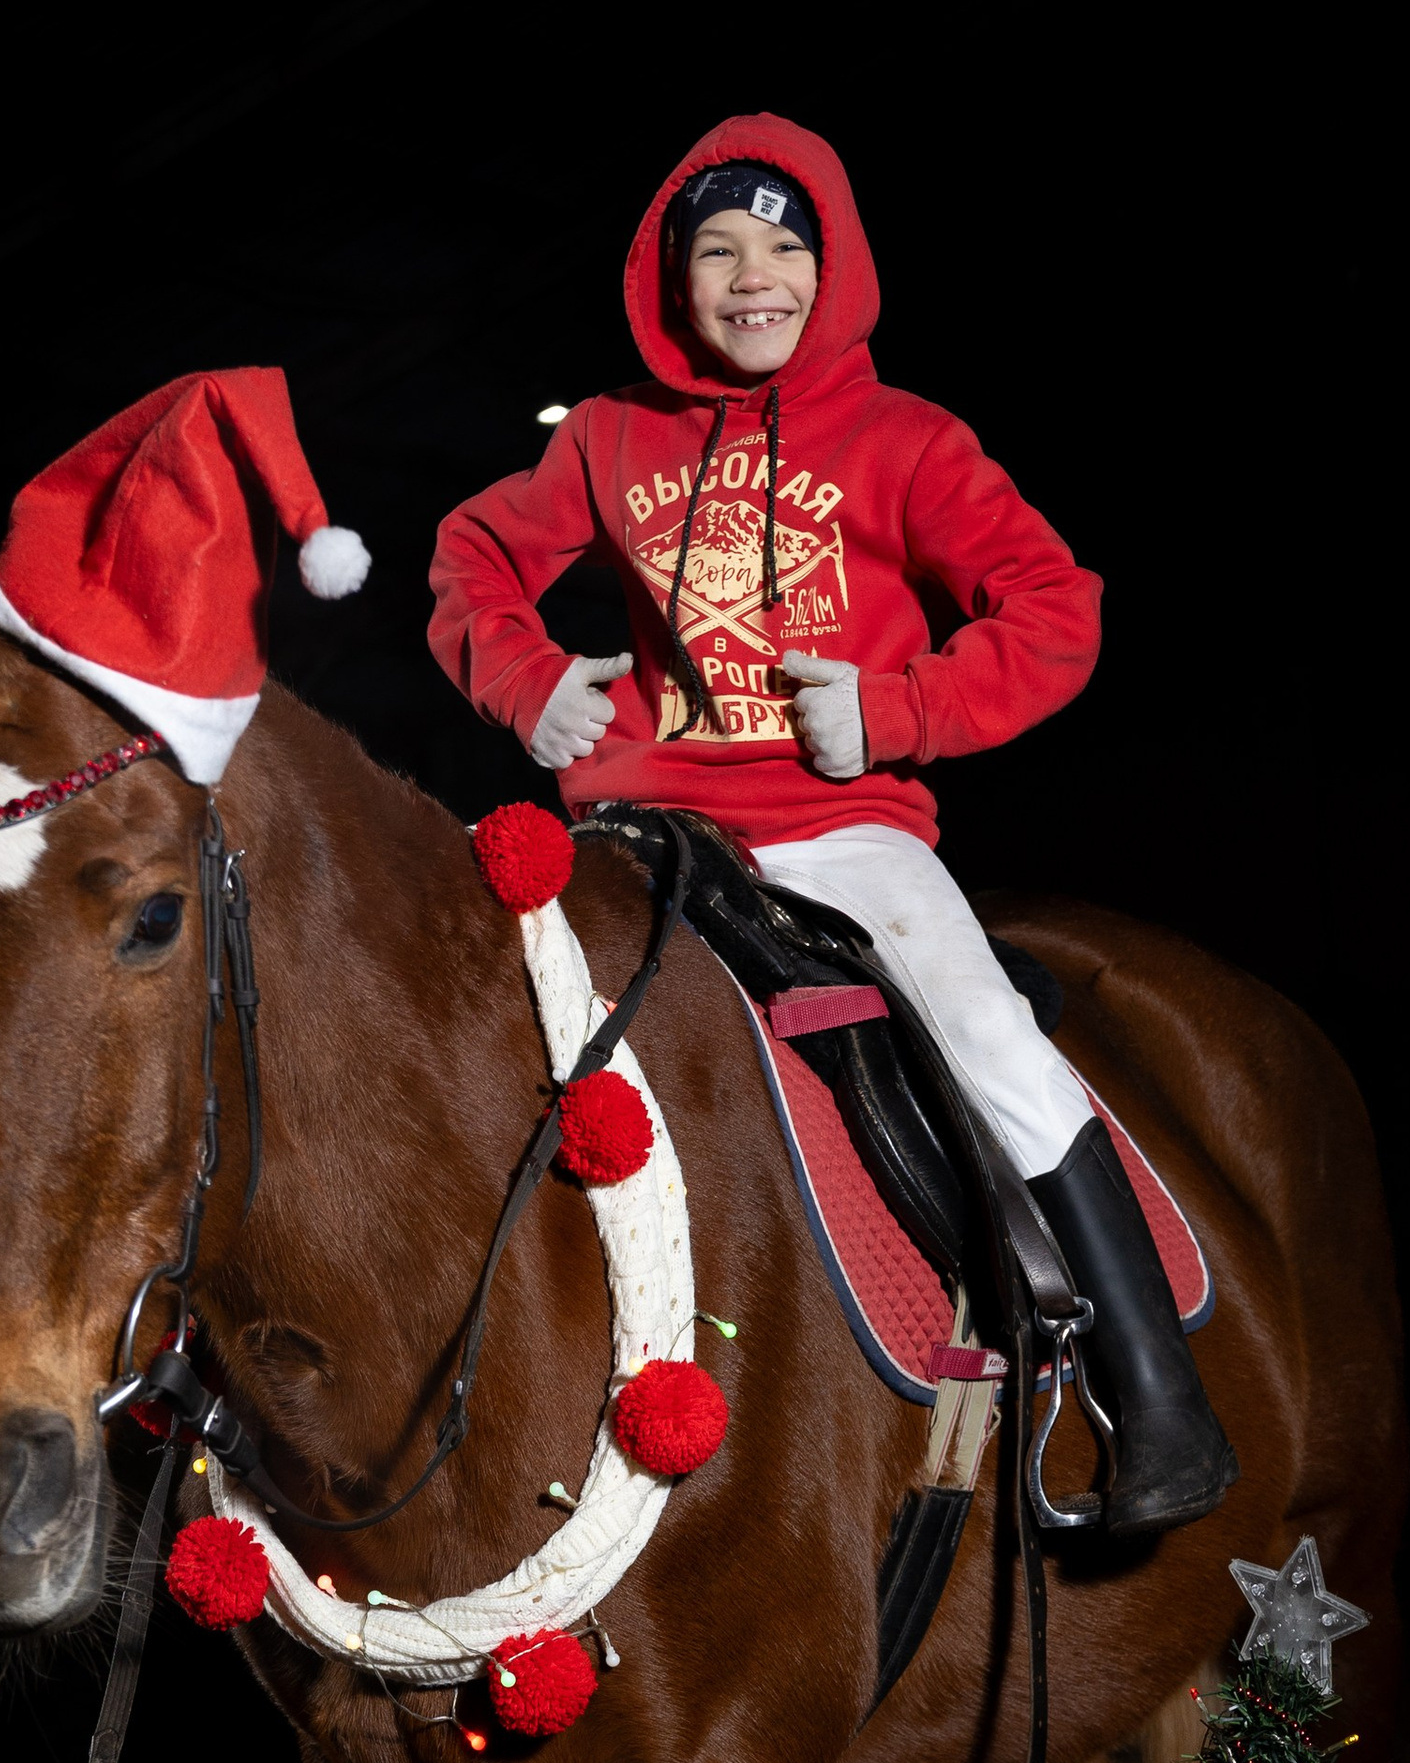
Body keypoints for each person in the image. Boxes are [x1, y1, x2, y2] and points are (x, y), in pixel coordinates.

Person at [428, 113, 1232, 1532]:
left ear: (833, 266)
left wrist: (902, 710)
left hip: (835, 827)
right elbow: (477, 554)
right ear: (669, 281)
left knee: (986, 1028)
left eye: (784, 245)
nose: (753, 273)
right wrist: (528, 677)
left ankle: (1157, 1396)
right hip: (645, 832)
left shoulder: (906, 439)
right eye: (717, 248)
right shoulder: (609, 437)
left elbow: (1058, 611)